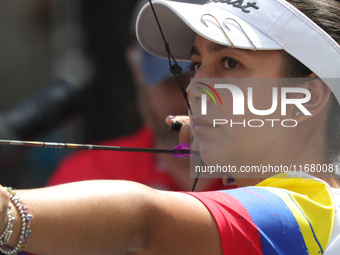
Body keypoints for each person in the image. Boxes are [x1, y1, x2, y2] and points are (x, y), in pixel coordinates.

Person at [0, 0, 340, 254]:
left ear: (306, 96)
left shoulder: (313, 209)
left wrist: (6, 211)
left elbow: (142, 220)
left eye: (230, 63)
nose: (194, 89)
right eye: (195, 66)